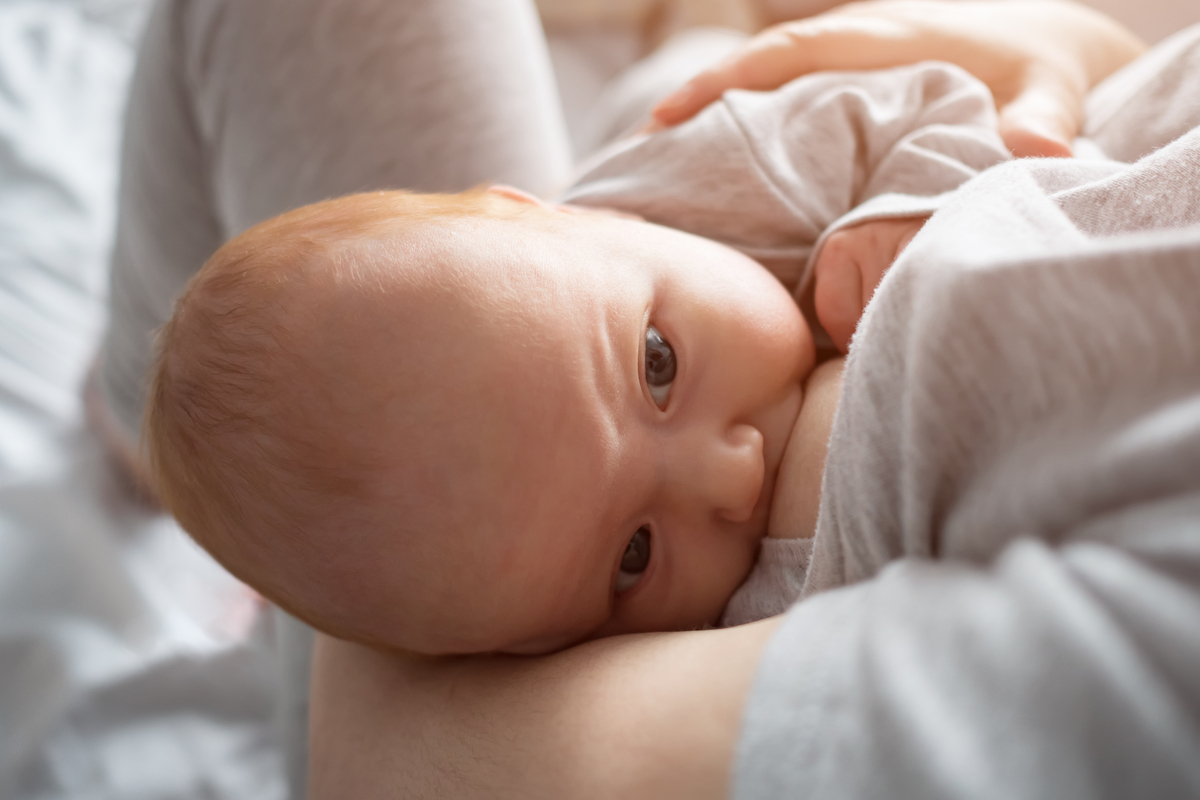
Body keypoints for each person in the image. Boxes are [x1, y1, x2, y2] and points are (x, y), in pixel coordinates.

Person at [142, 55, 1015, 654]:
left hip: (666, 150)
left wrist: (907, 201)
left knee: (673, 81)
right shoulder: (666, 652)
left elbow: (932, 96)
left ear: (553, 214)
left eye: (658, 365)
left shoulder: (730, 179)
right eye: (634, 556)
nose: (736, 475)